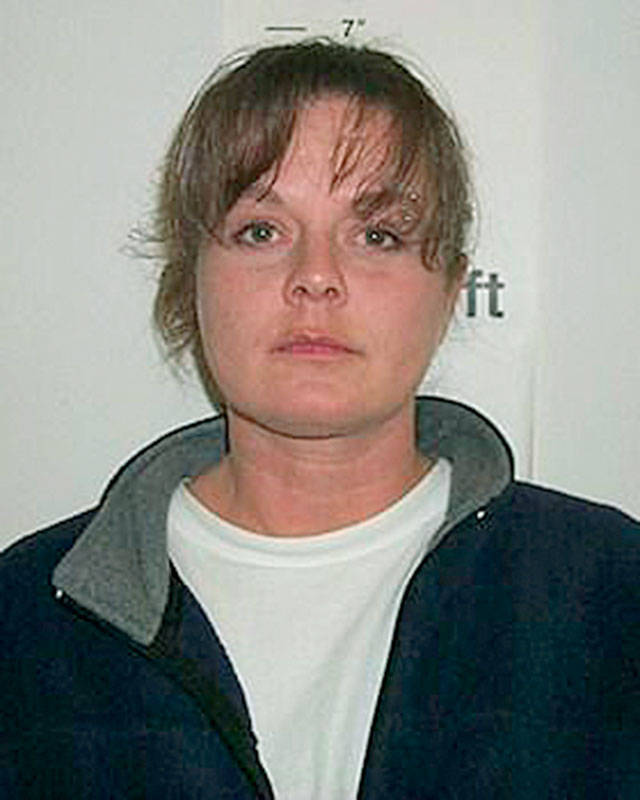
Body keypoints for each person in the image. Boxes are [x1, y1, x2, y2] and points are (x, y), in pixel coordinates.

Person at [1, 39, 639, 800]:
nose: (315, 277)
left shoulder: (610, 593)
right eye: (260, 231)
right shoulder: (26, 623)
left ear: (451, 290)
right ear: (190, 278)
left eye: (378, 234)